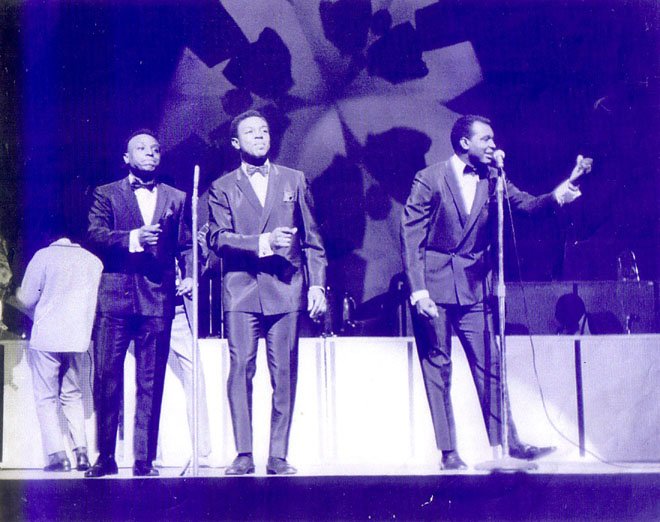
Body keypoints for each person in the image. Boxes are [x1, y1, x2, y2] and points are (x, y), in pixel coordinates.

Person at [401, 114, 592, 470]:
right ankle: (449, 452)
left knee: (490, 364)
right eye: (485, 139)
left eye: (492, 139)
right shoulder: (430, 179)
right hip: (433, 287)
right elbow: (411, 237)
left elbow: (528, 205)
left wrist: (565, 188)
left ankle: (509, 443)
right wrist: (419, 292)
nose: (493, 144)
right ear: (464, 143)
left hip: (474, 287)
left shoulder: (494, 178)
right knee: (438, 367)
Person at [207, 110, 327, 475]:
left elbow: (313, 239)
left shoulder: (294, 179)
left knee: (284, 372)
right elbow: (217, 238)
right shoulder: (222, 187)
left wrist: (317, 284)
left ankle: (278, 455)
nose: (260, 136)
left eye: (264, 131)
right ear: (235, 143)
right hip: (241, 290)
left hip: (286, 287)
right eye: (251, 132)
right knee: (241, 366)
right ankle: (244, 453)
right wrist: (264, 242)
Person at [86, 129, 192, 477]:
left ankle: (144, 459)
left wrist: (190, 274)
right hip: (115, 298)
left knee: (151, 380)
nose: (150, 153)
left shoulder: (176, 197)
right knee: (106, 377)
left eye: (156, 149)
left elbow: (186, 244)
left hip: (158, 297)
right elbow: (95, 235)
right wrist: (133, 238)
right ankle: (105, 456)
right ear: (126, 157)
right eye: (142, 149)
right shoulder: (106, 193)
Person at [14, 217, 103, 472]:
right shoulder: (93, 261)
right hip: (78, 339)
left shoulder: (43, 256)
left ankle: (58, 456)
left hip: (47, 337)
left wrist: (13, 295)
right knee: (73, 395)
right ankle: (82, 454)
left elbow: (26, 299)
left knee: (46, 398)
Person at [158, 228, 212, 465]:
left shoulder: (182, 224)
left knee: (194, 375)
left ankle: (202, 450)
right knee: (147, 379)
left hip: (178, 308)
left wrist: (193, 272)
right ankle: (148, 453)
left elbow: (194, 259)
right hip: (147, 309)